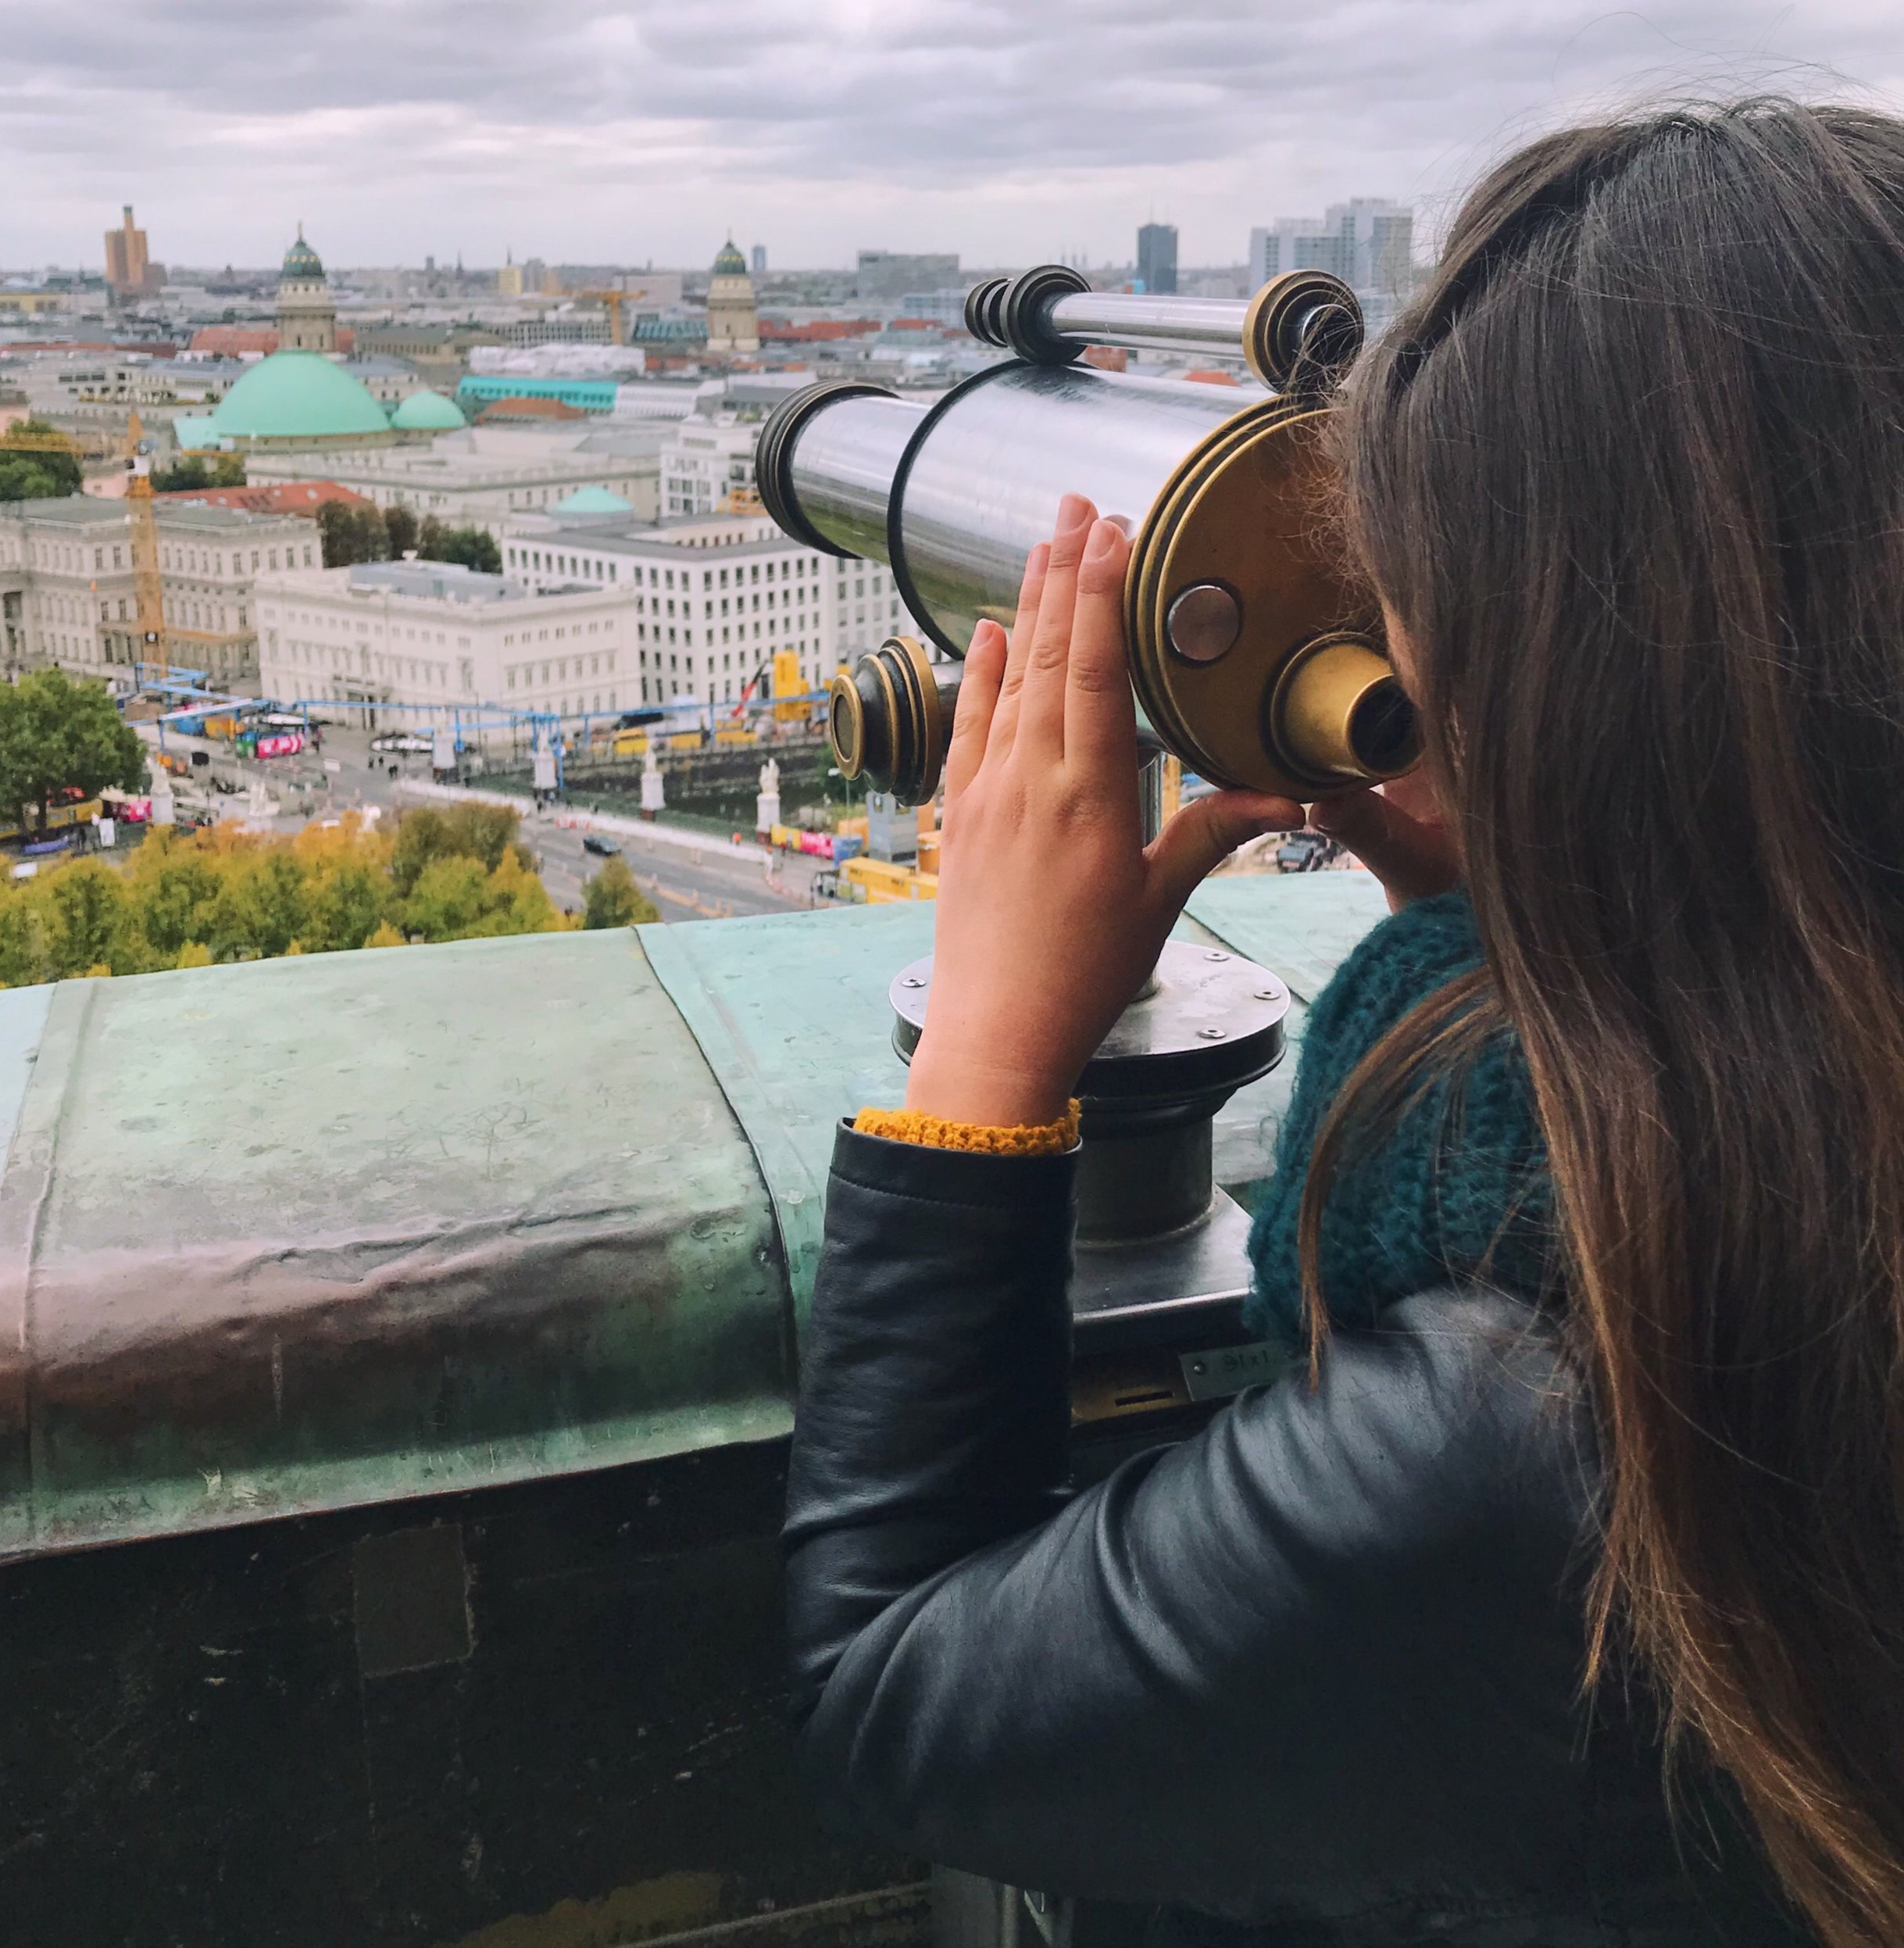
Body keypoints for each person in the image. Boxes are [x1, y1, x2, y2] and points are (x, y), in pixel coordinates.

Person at [782, 101, 1904, 1947]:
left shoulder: (1535, 1436)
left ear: (1548, 691)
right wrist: (1523, 897)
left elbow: (891, 1689)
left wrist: (982, 1047)